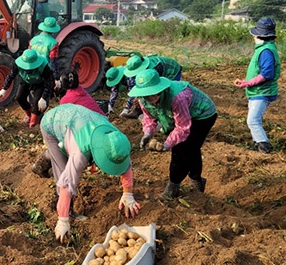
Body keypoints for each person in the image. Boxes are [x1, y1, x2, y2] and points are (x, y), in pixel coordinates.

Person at [40, 103, 141, 244]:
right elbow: (66, 184)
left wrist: (128, 194)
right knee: (64, 169)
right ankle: (69, 211)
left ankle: (46, 159)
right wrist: (62, 219)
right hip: (53, 122)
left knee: (63, 153)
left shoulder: (115, 138)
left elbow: (125, 163)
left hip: (77, 121)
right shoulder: (80, 153)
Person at [129, 69, 217, 198]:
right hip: (182, 116)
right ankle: (197, 180)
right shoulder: (143, 100)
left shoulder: (177, 97)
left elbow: (182, 128)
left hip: (202, 115)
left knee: (181, 150)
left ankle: (172, 188)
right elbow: (149, 118)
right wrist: (147, 133)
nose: (152, 98)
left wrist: (167, 144)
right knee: (192, 148)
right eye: (147, 95)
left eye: (154, 93)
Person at [31, 70, 106, 178]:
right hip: (99, 127)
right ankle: (40, 166)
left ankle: (42, 168)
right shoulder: (83, 93)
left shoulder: (66, 100)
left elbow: (63, 124)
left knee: (60, 148)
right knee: (61, 149)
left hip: (87, 131)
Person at [234, 17, 280, 154]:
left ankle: (264, 146)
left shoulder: (265, 51)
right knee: (255, 119)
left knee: (252, 120)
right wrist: (246, 82)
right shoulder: (265, 49)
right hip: (256, 91)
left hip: (262, 91)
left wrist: (247, 83)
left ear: (259, 35)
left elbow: (267, 74)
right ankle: (257, 144)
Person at [0, 49, 53, 127]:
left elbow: (49, 82)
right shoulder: (17, 64)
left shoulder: (44, 66)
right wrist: (4, 89)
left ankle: (33, 123)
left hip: (39, 83)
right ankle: (29, 116)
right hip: (25, 81)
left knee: (37, 102)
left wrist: (44, 97)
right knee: (19, 97)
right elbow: (11, 76)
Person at [121, 54, 183, 118]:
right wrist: (129, 105)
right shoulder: (143, 69)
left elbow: (156, 87)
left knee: (164, 94)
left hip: (172, 71)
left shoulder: (155, 68)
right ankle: (139, 111)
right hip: (161, 71)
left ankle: (166, 115)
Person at [29, 17, 61, 89]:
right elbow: (53, 61)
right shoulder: (53, 43)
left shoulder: (33, 40)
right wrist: (57, 78)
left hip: (33, 70)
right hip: (45, 72)